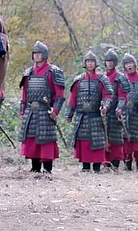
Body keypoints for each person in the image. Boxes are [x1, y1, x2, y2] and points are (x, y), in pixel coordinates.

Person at [19, 41, 66, 174]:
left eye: (39, 53)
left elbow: (60, 95)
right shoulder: (29, 72)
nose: (36, 55)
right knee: (32, 140)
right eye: (35, 53)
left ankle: (47, 168)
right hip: (31, 111)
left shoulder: (53, 71)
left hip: (45, 111)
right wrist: (22, 110)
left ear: (44, 54)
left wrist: (55, 110)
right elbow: (25, 94)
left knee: (46, 140)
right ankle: (35, 168)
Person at [65, 51, 113, 173]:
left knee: (97, 141)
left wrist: (105, 106)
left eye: (92, 61)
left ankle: (97, 167)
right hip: (82, 116)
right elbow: (73, 98)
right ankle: (85, 166)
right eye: (88, 61)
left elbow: (108, 95)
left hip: (96, 115)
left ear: (96, 63)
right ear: (85, 63)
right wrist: (69, 114)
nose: (90, 64)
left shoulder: (102, 79)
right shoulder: (78, 80)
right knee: (83, 141)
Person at [103, 49, 131, 171]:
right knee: (103, 138)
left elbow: (122, 96)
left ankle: (115, 165)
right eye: (108, 61)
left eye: (112, 61)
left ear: (115, 62)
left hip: (115, 113)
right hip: (103, 113)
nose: (109, 63)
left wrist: (120, 107)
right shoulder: (102, 77)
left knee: (115, 140)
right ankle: (105, 164)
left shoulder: (120, 78)